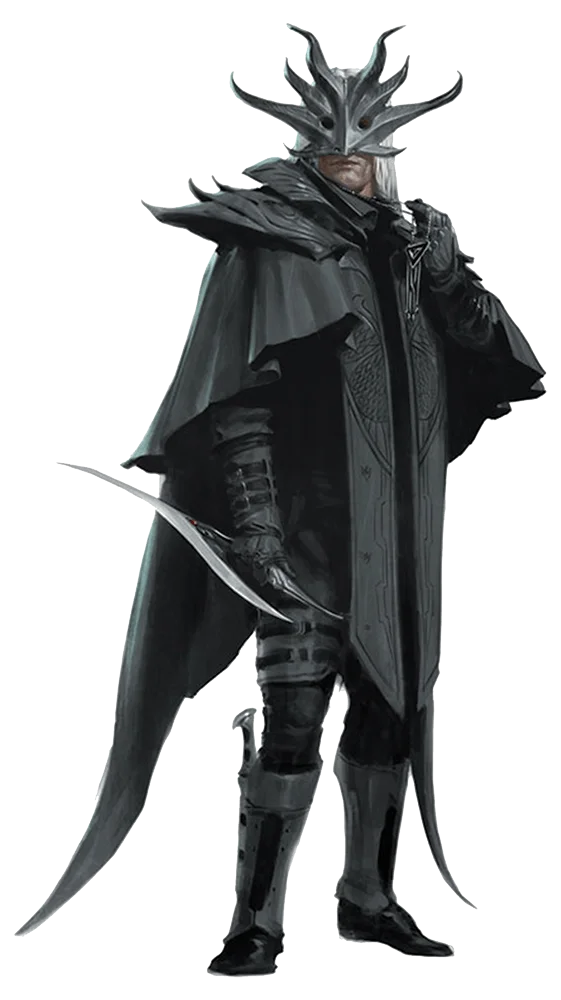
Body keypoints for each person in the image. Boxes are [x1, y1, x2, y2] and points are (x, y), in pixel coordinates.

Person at [16, 26, 544, 972]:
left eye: (368, 157)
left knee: (388, 711)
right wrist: (256, 525)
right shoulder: (272, 238)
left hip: (399, 523)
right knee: (293, 716)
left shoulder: (412, 244)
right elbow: (234, 398)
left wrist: (450, 274)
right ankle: (255, 920)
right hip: (303, 528)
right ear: (311, 154)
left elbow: (498, 364)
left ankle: (368, 899)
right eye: (340, 158)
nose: (356, 172)